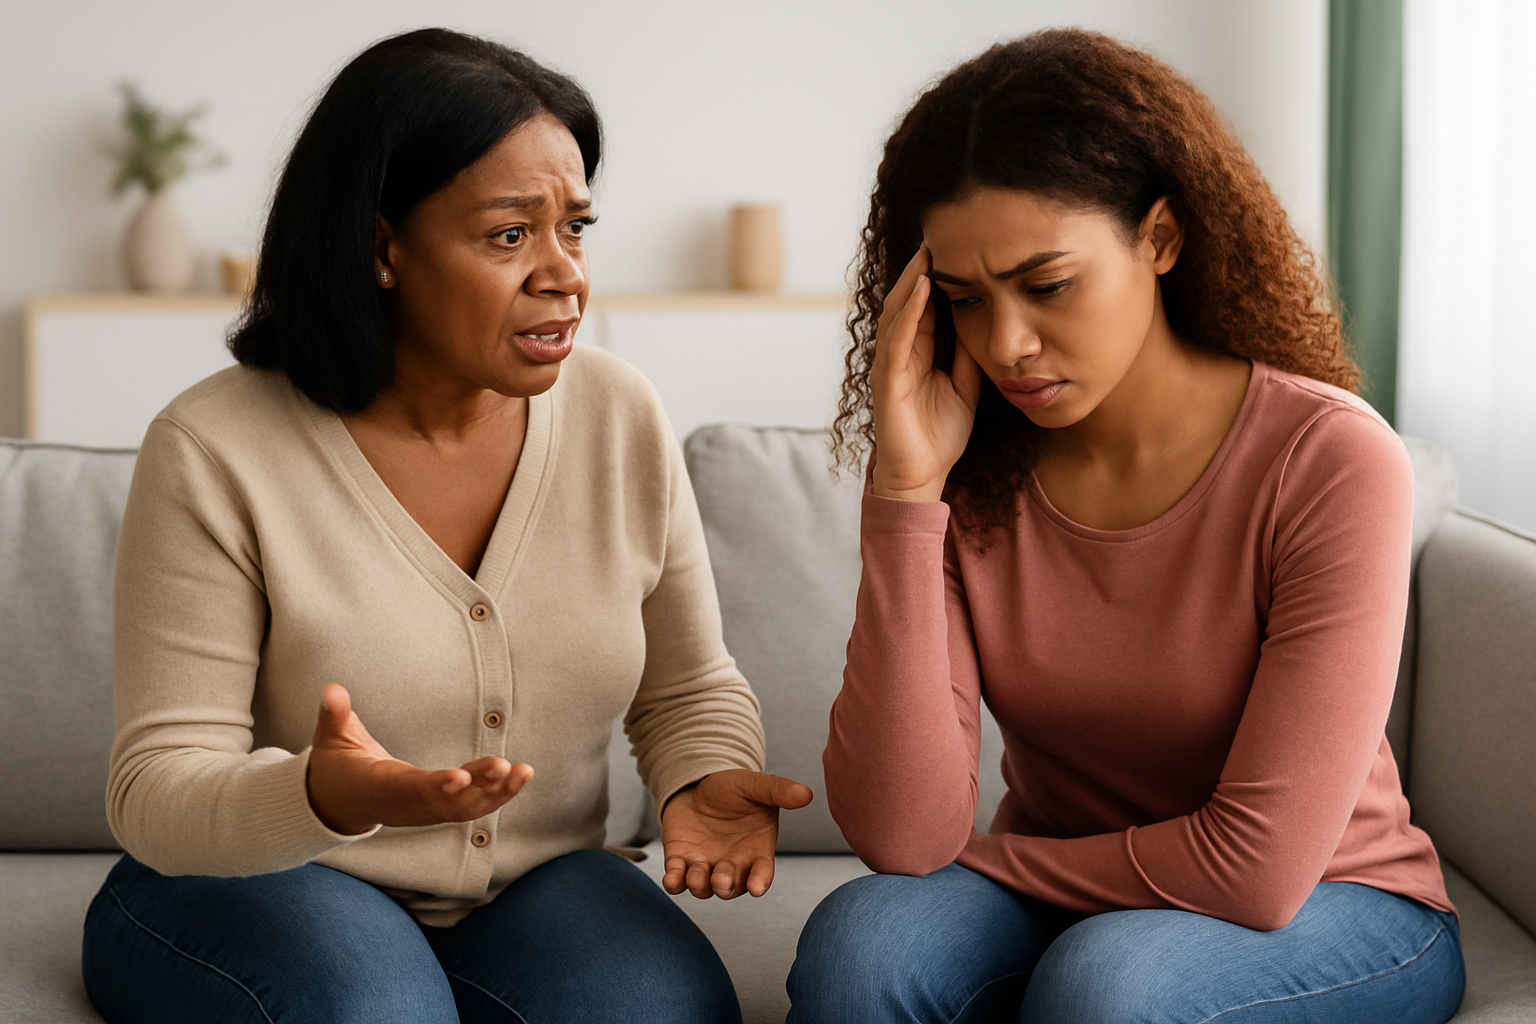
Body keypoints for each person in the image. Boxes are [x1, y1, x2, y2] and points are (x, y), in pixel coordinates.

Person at [82, 28, 811, 1024]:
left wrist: (704, 776)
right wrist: (320, 795)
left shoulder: (619, 415)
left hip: (536, 887)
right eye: (510, 235)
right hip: (255, 876)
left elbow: (686, 683)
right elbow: (157, 789)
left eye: (576, 228)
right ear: (383, 245)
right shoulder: (215, 448)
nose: (565, 275)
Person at [788, 28, 1463, 1024]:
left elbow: (1259, 870)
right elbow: (903, 834)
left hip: (1339, 904)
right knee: (863, 941)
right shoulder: (971, 469)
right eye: (966, 301)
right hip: (1075, 900)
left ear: (1160, 236)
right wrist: (904, 491)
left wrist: (1010, 861)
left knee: (1109, 982)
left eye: (1047, 285)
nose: (1007, 343)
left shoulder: (1327, 458)